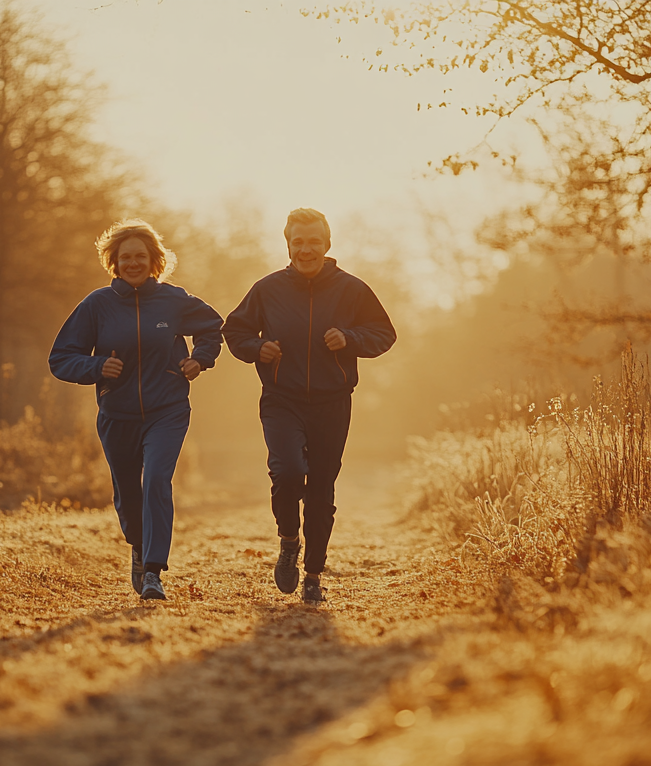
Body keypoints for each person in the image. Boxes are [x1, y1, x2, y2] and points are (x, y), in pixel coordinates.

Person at [222, 208, 396, 602]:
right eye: (297, 242)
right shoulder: (267, 289)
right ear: (288, 245)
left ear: (327, 244)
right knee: (286, 472)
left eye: (313, 241)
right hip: (282, 399)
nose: (305, 249)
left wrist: (350, 339)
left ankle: (313, 575)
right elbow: (235, 330)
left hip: (332, 403)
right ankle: (289, 540)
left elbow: (384, 333)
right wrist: (257, 348)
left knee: (320, 490)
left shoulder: (352, 289)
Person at [49, 220, 223, 600]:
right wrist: (97, 367)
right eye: (125, 257)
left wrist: (200, 358)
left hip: (167, 409)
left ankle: (153, 571)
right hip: (118, 414)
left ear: (154, 260)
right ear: (114, 261)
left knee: (156, 479)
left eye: (140, 256)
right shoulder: (97, 305)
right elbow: (60, 358)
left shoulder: (173, 300)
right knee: (128, 493)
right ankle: (139, 547)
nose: (133, 263)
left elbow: (213, 327)